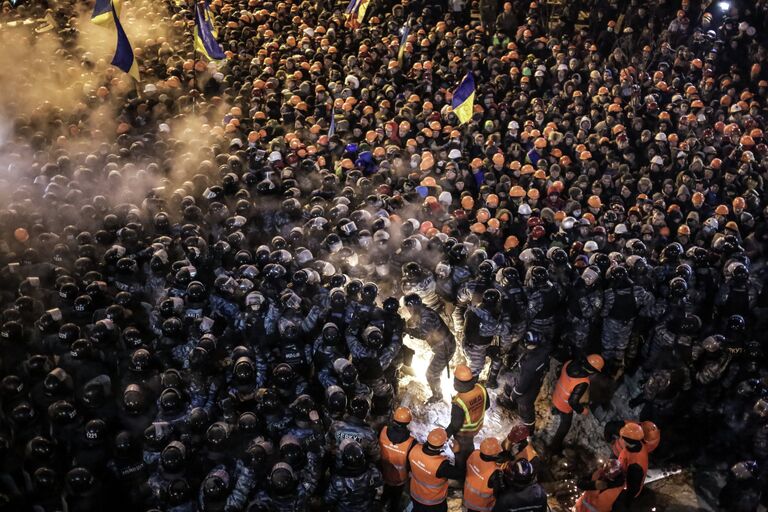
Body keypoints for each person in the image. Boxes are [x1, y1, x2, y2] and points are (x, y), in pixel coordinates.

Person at [403, 293, 456, 403]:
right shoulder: (422, 312)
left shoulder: (427, 316)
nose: (408, 310)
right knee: (433, 370)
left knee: (431, 374)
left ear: (412, 306)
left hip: (444, 348)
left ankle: (438, 396)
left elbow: (422, 335)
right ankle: (437, 384)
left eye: (408, 307)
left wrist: (406, 330)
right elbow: (414, 322)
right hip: (441, 347)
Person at [549, 355, 604, 453]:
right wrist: (582, 410)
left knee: (558, 408)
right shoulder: (582, 382)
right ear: (592, 370)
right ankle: (555, 446)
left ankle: (555, 410)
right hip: (565, 406)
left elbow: (559, 373)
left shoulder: (569, 363)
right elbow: (572, 402)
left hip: (557, 395)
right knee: (565, 425)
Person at [407, 428, 464, 512]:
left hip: (415, 495)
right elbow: (460, 474)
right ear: (443, 444)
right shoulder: (441, 466)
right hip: (433, 502)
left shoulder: (413, 449)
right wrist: (456, 453)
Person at [446, 365, 489, 468]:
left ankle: (462, 472)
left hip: (463, 433)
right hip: (477, 427)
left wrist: (446, 434)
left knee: (461, 453)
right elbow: (487, 406)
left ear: (457, 381)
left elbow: (455, 425)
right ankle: (471, 462)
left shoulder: (459, 402)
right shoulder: (481, 388)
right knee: (469, 448)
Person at [379, 406, 416, 512]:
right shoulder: (411, 442)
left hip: (383, 474)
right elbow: (410, 465)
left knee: (383, 496)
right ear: (408, 421)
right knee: (395, 501)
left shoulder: (383, 431)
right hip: (399, 480)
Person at [463, 437, 505, 512]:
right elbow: (499, 493)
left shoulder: (474, 454)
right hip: (481, 506)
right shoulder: (495, 472)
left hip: (468, 498)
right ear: (495, 454)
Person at [615, 422, 649, 506]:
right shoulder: (638, 444)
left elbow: (632, 490)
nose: (620, 439)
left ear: (627, 441)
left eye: (621, 438)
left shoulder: (635, 468)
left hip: (629, 487)